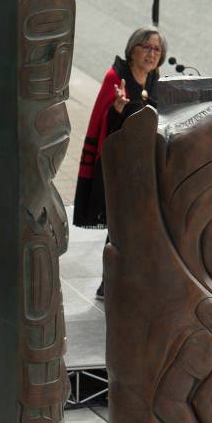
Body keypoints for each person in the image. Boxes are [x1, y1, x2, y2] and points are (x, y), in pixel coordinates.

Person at [73, 26, 167, 297]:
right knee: (119, 225)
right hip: (119, 167)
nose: (151, 54)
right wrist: (117, 110)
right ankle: (109, 282)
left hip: (144, 165)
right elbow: (104, 128)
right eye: (146, 47)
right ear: (132, 49)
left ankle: (123, 280)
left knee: (132, 224)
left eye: (156, 49)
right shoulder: (116, 77)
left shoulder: (153, 79)